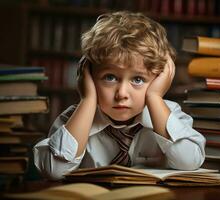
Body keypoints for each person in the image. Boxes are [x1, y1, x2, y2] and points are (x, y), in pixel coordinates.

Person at [33, 11, 205, 180]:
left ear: (159, 79)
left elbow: (189, 162)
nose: (122, 94)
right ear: (89, 78)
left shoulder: (169, 114)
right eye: (110, 77)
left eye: (138, 79)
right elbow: (54, 170)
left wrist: (154, 97)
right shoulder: (74, 118)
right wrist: (88, 99)